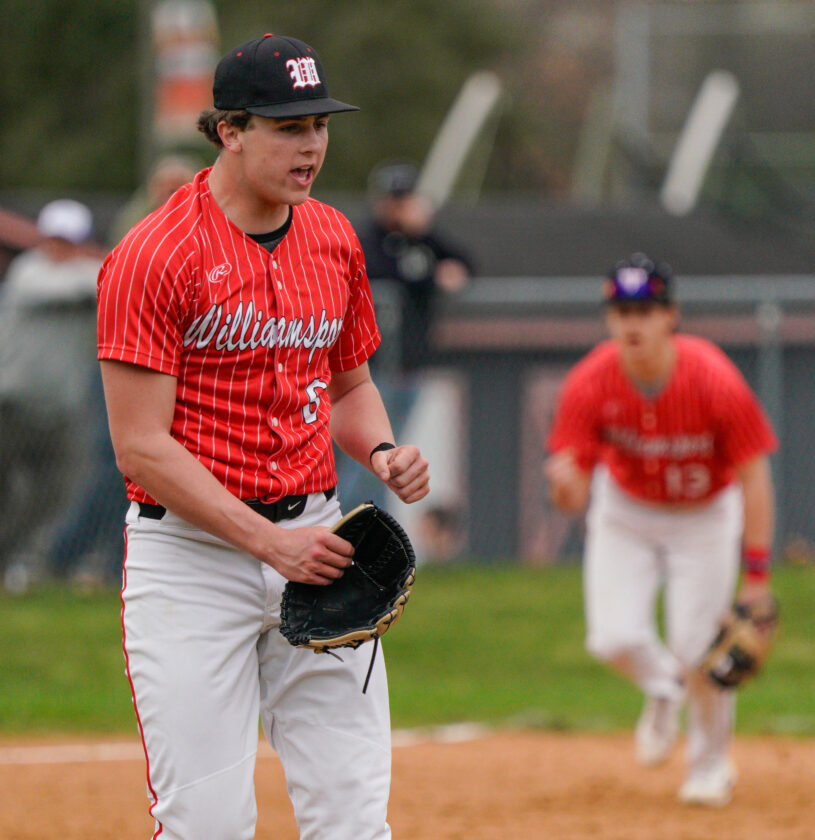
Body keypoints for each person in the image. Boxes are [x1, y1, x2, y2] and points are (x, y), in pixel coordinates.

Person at [97, 33, 429, 840]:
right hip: (192, 563)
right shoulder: (155, 256)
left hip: (315, 543)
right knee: (206, 822)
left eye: (318, 124)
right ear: (228, 130)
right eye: (287, 126)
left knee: (351, 816)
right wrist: (266, 546)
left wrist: (381, 451)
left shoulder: (333, 238)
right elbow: (140, 447)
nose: (310, 144)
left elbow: (349, 386)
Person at [544, 253, 777, 807]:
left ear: (671, 316)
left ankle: (710, 766)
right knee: (611, 637)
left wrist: (758, 578)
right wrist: (562, 485)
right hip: (627, 512)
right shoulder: (589, 382)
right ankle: (665, 689)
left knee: (702, 648)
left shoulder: (713, 378)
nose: (632, 323)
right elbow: (573, 495)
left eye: (645, 310)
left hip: (704, 516)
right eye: (622, 310)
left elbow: (754, 476)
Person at [0, 199, 103, 590]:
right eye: (55, 240)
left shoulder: (88, 282)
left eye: (70, 241)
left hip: (60, 413)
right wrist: (109, 268)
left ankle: (15, 559)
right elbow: (74, 284)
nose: (61, 249)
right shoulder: (30, 272)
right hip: (10, 407)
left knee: (53, 496)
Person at [107, 153, 199, 246]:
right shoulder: (134, 219)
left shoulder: (205, 220)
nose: (169, 194)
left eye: (177, 186)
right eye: (162, 186)